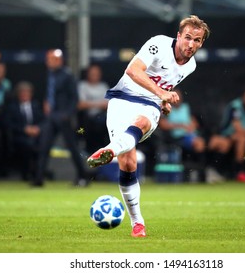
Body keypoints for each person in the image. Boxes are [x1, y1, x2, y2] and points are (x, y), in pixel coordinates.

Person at [86, 15, 210, 237]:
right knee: (128, 162)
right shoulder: (159, 43)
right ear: (179, 35)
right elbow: (133, 71)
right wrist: (162, 94)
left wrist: (161, 101)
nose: (191, 44)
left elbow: (165, 83)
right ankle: (137, 222)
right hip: (122, 98)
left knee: (142, 122)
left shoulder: (190, 65)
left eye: (197, 40)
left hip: (149, 104)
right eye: (188, 37)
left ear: (201, 43)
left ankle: (111, 150)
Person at [33, 49, 88, 187]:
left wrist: (66, 114)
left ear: (59, 60)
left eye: (52, 59)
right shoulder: (49, 75)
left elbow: (74, 98)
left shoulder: (67, 75)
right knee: (44, 146)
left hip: (63, 117)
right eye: (48, 59)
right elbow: (49, 93)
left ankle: (83, 176)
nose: (49, 62)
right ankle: (38, 179)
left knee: (72, 148)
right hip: (51, 117)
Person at [5, 81, 44, 181]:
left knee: (42, 144)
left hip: (36, 135)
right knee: (27, 145)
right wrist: (24, 129)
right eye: (22, 93)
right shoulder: (12, 107)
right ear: (18, 94)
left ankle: (38, 173)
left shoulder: (36, 106)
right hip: (19, 136)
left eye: (27, 92)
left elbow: (43, 121)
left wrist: (37, 128)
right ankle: (26, 173)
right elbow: (8, 124)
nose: (25, 95)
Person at [77, 64, 109, 154]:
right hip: (89, 117)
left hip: (104, 115)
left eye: (97, 74)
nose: (95, 76)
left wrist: (91, 103)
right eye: (93, 74)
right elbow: (81, 105)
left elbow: (108, 104)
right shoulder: (82, 86)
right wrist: (99, 104)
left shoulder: (103, 86)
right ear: (88, 74)